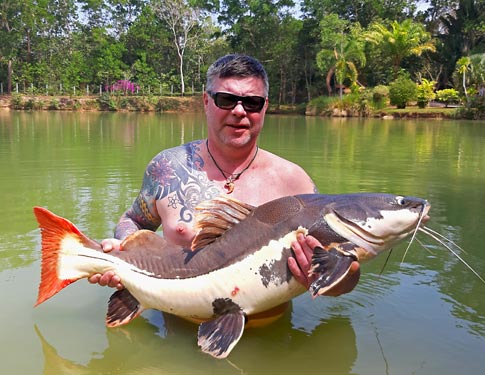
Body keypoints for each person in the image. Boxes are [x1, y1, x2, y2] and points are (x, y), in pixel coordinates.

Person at [89, 54, 360, 325]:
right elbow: (133, 220)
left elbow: (345, 273)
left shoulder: (294, 182)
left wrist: (334, 281)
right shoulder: (167, 168)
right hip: (178, 327)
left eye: (252, 102)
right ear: (207, 102)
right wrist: (123, 251)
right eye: (227, 100)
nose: (239, 111)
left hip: (268, 337)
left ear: (264, 107)